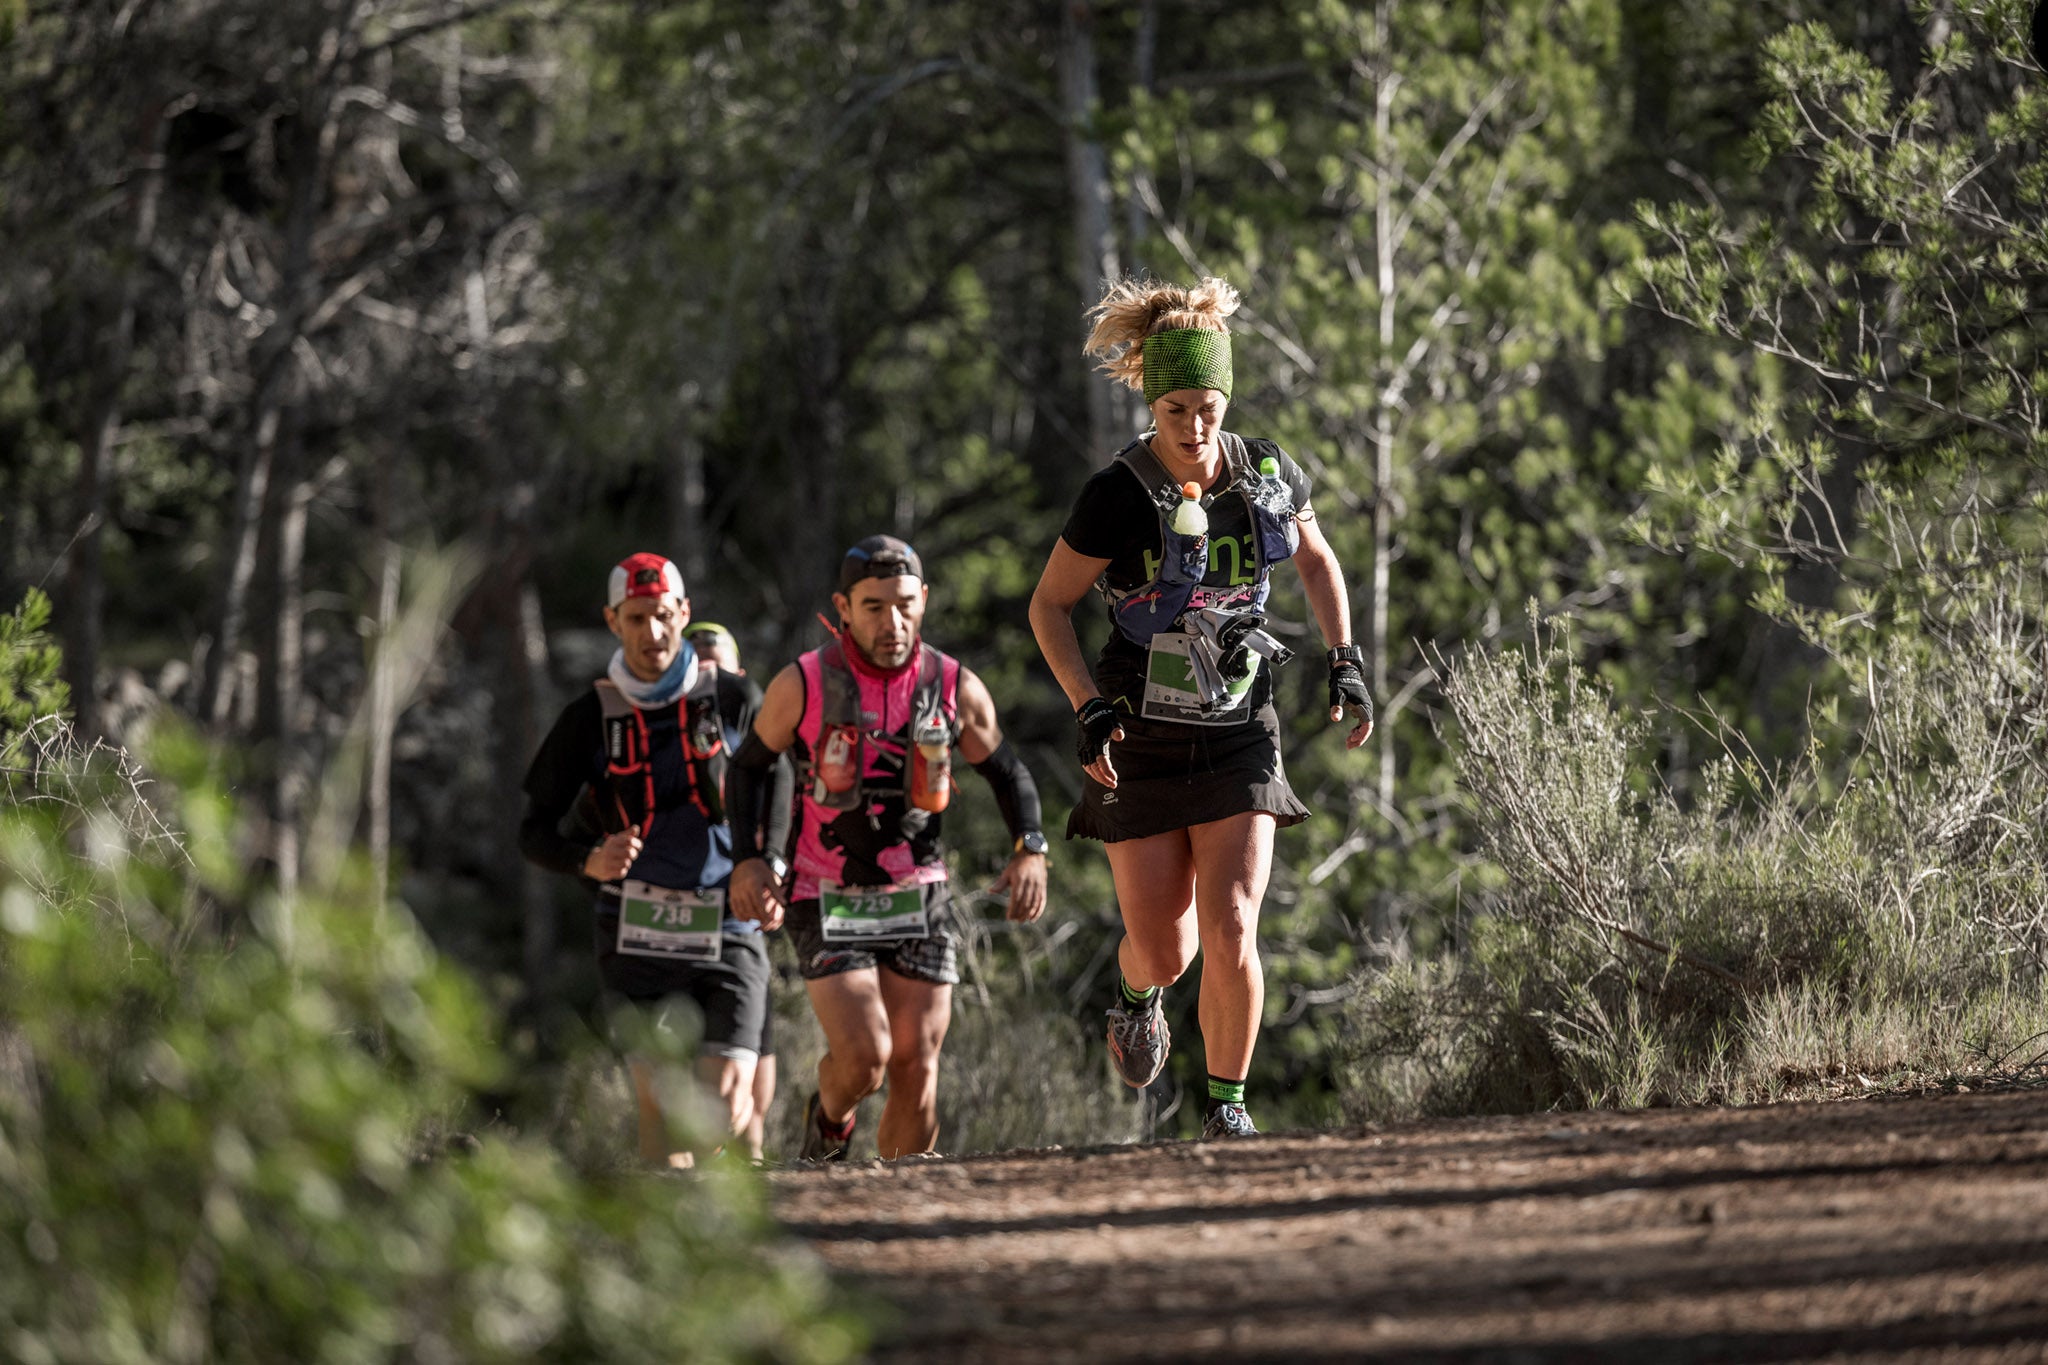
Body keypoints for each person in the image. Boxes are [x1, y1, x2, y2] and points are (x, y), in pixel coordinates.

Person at [1027, 276, 1374, 1140]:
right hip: (1138, 735)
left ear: (1228, 399)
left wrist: (1346, 660)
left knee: (1231, 924)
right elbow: (1047, 607)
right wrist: (1089, 708)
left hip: (1238, 732)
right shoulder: (1117, 492)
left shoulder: (1265, 474)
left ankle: (1228, 1108)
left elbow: (1318, 560)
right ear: (1154, 402)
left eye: (1209, 407)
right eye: (1176, 408)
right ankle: (1137, 992)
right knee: (1168, 948)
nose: (1194, 428)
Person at [726, 536, 1051, 1160]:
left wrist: (1029, 847)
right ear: (843, 608)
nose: (891, 622)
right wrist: (750, 858)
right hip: (824, 890)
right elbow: (748, 768)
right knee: (864, 1059)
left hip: (917, 891)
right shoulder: (804, 682)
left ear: (923, 601)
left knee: (917, 1067)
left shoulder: (952, 683)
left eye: (904, 604)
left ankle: (906, 1221)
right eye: (873, 607)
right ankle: (829, 1119)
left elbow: (1007, 771)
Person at [518, 553, 791, 1168]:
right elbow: (533, 831)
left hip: (726, 922)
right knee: (661, 1115)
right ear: (613, 621)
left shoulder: (732, 696)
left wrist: (765, 862)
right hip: (635, 933)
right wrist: (587, 860)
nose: (653, 634)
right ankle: (678, 1257)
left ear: (684, 613)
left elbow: (778, 777)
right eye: (637, 619)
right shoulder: (589, 717)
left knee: (723, 1105)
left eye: (664, 617)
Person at [682, 616, 778, 1162]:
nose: (707, 674)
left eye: (716, 663)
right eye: (695, 662)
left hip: (741, 912)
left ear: (738, 674)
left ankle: (756, 1168)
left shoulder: (758, 740)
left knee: (753, 1064)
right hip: (679, 916)